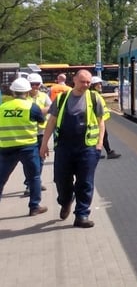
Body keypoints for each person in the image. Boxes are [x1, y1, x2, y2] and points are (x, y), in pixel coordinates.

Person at [40, 69, 105, 229]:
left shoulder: (94, 98)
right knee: (61, 180)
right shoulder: (61, 99)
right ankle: (65, 201)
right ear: (74, 80)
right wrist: (44, 144)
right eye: (83, 81)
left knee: (85, 182)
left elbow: (101, 122)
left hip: (87, 148)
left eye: (88, 82)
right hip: (64, 147)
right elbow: (52, 122)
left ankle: (82, 215)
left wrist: (99, 144)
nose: (86, 85)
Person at [0, 77, 48, 216]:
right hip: (28, 148)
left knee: (1, 179)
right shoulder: (32, 107)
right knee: (34, 177)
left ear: (13, 92)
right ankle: (34, 207)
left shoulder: (2, 107)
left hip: (6, 148)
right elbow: (41, 123)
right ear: (27, 92)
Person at [23, 73, 50, 196]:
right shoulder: (23, 97)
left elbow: (51, 107)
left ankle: (35, 181)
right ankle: (30, 183)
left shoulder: (44, 96)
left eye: (37, 84)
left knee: (41, 158)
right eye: (32, 84)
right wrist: (40, 111)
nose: (34, 87)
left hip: (41, 132)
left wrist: (38, 111)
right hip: (28, 133)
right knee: (29, 161)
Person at [90, 76, 121, 159]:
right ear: (93, 85)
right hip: (96, 120)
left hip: (99, 120)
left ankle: (100, 152)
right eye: (97, 84)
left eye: (100, 84)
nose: (100, 86)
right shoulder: (93, 95)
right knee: (102, 136)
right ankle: (106, 152)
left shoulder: (95, 94)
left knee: (101, 136)